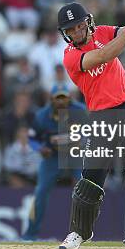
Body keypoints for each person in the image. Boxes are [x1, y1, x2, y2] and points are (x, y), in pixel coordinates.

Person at [56, 2, 125, 249]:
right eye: (72, 29)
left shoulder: (103, 32)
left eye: (80, 25)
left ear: (88, 22)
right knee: (91, 178)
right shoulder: (70, 57)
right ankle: (79, 232)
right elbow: (104, 55)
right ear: (66, 33)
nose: (78, 32)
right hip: (101, 117)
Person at [22, 84, 83, 240]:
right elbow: (32, 139)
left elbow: (92, 133)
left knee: (85, 192)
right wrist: (41, 149)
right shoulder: (41, 116)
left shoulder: (80, 111)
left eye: (64, 98)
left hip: (75, 155)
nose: (61, 102)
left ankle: (84, 232)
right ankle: (30, 234)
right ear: (51, 99)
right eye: (58, 99)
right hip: (52, 157)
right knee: (40, 193)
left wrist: (81, 143)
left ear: (70, 99)